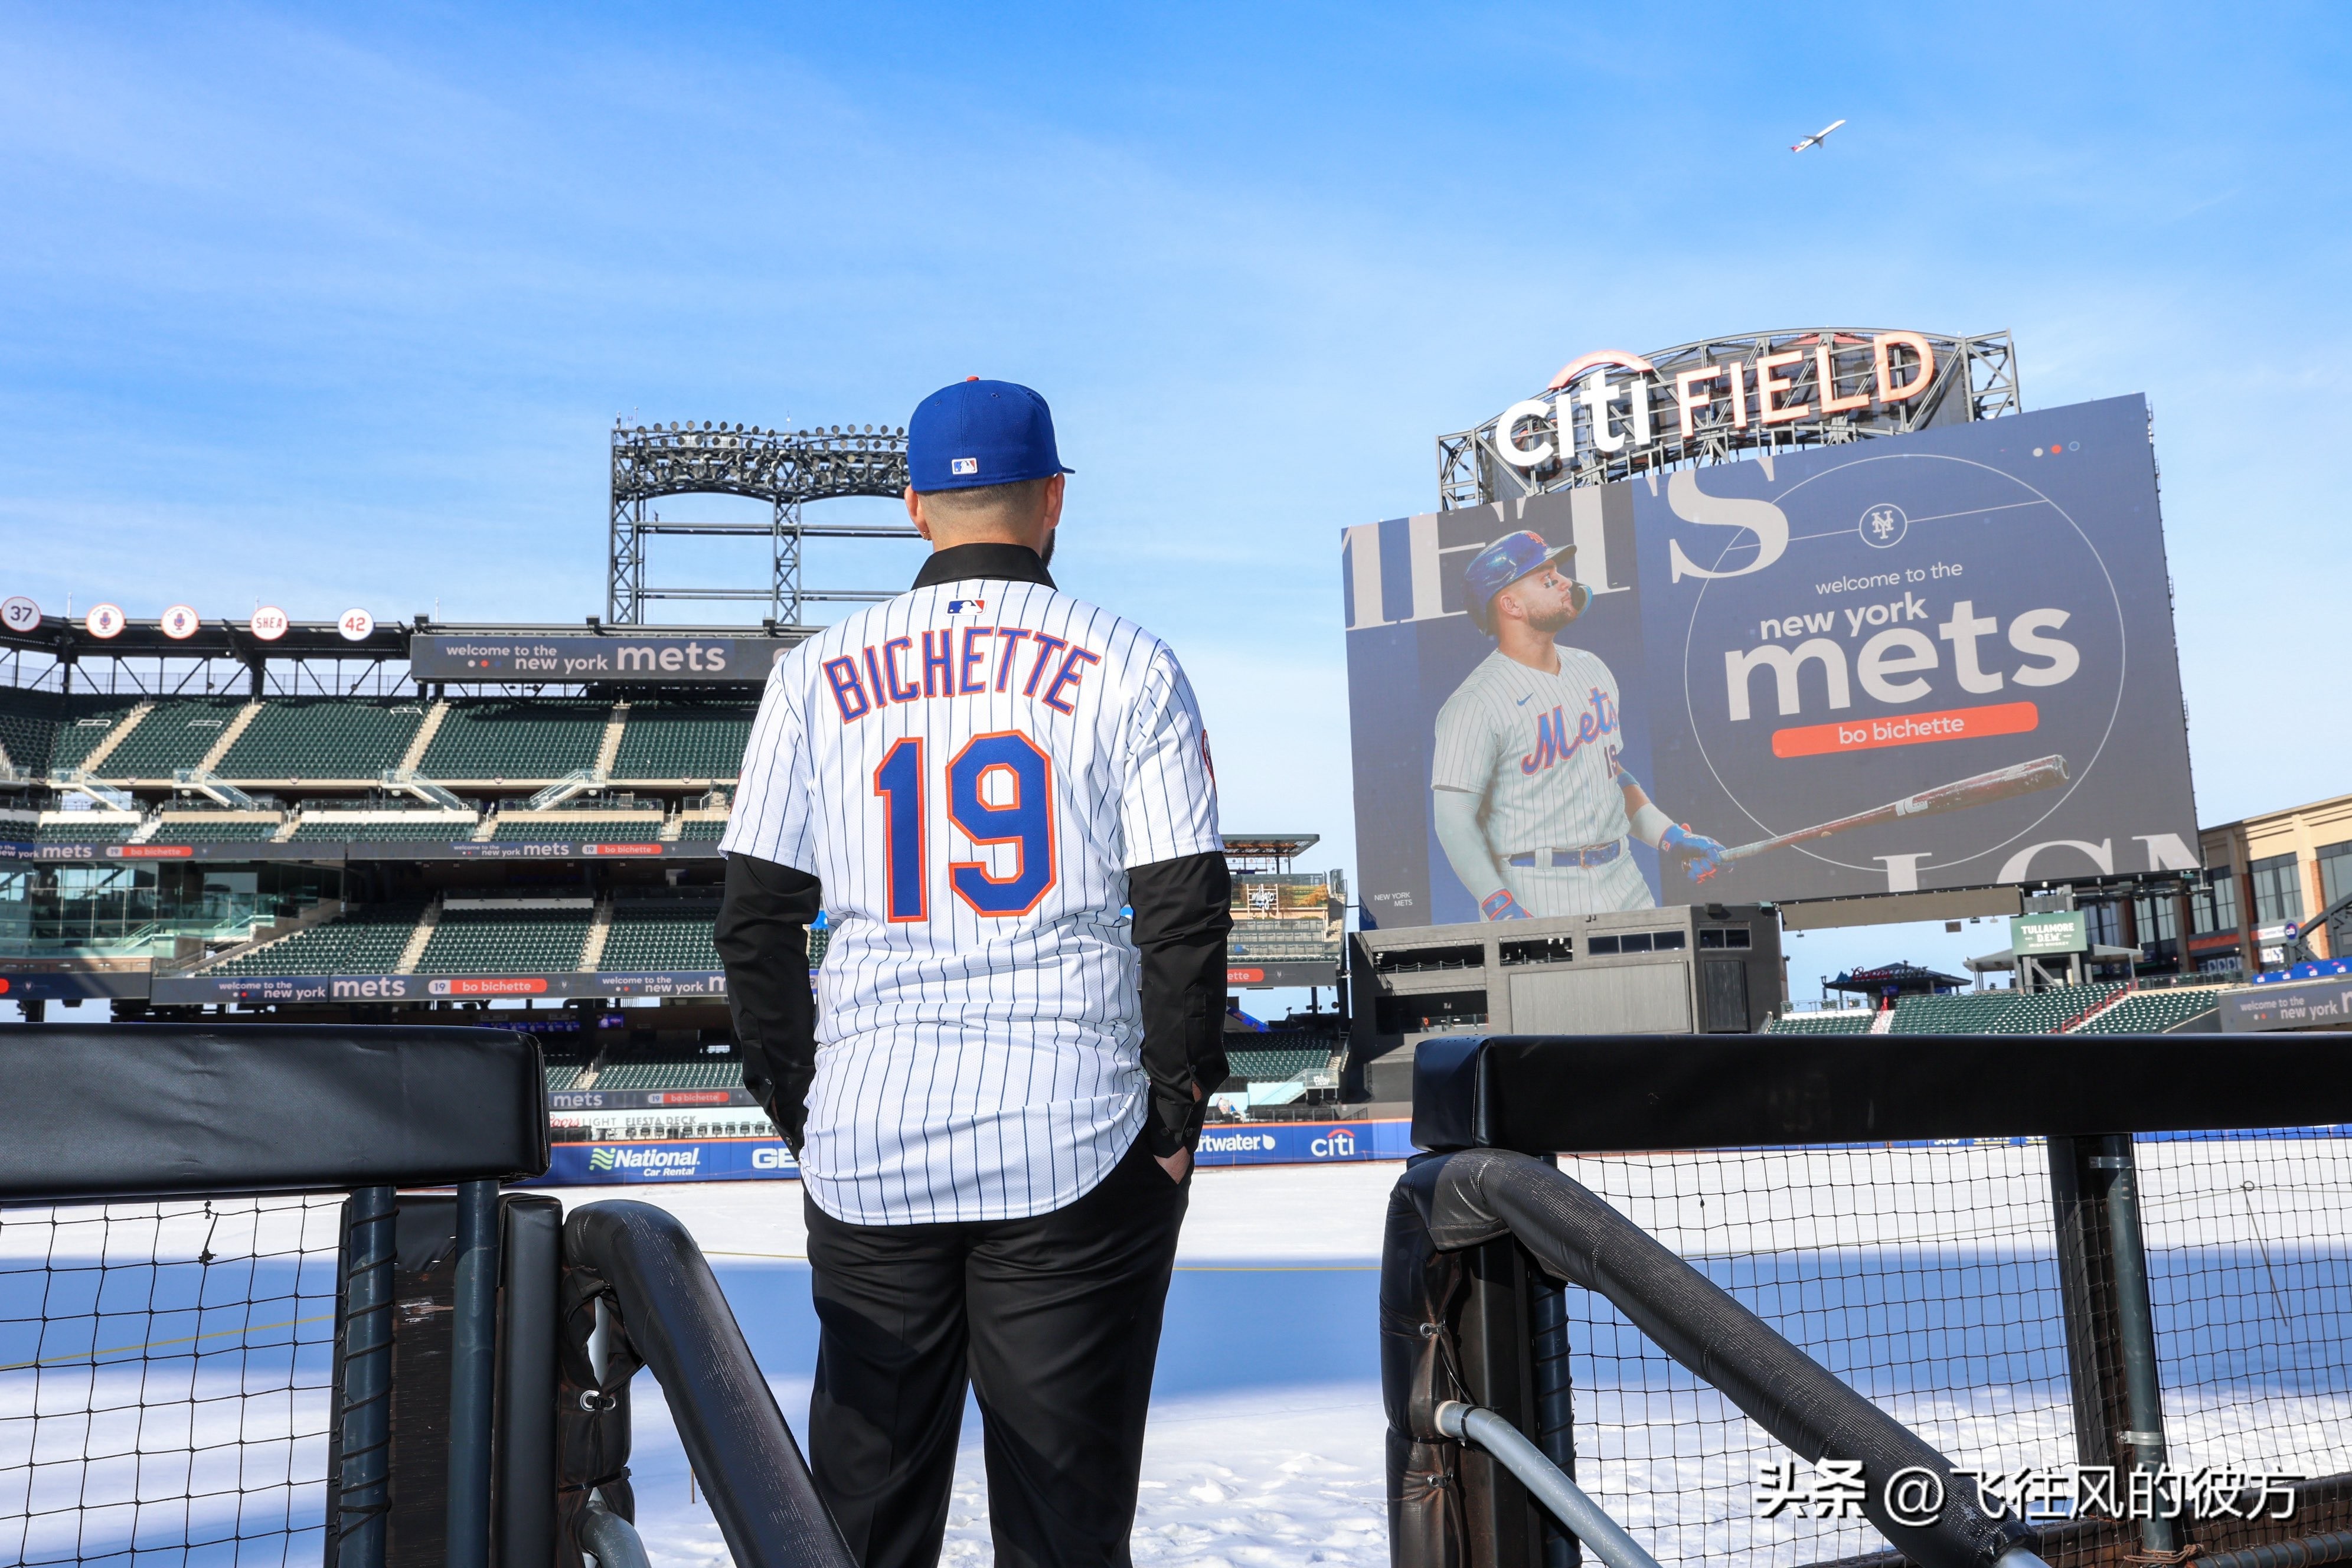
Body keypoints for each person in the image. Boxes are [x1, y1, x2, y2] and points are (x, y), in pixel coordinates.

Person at [715, 377, 1231, 1568]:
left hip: (872, 1128)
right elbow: (1183, 908)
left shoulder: (814, 671)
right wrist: (1179, 1106)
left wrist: (807, 1101)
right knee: (1062, 1526)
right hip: (1073, 1127)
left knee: (856, 1520)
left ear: (913, 507)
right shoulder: (1128, 661)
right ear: (1053, 499)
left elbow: (754, 920)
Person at [1429, 529, 1726, 919]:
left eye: (1559, 573)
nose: (1566, 583)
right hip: (1534, 887)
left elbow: (1610, 774)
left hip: (1623, 878)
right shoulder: (1474, 703)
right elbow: (1453, 820)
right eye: (1547, 577)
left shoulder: (1592, 668)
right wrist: (1498, 903)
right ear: (1511, 605)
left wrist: (1670, 836)